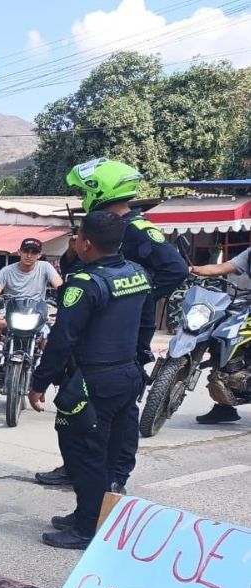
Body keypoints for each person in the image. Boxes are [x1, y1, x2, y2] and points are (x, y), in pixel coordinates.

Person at [36, 158, 187, 488]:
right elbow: (72, 267)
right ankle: (74, 467)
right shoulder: (97, 225)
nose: (79, 196)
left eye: (82, 190)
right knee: (75, 404)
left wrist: (127, 302)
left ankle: (115, 477)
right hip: (85, 331)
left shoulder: (136, 227)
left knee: (118, 415)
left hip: (118, 340)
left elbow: (175, 269)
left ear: (98, 190)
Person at [28, 211, 151, 550]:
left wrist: (39, 383)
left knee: (85, 455)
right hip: (127, 375)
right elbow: (147, 324)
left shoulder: (85, 283)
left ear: (85, 243)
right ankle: (91, 513)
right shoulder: (137, 274)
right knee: (112, 451)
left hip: (94, 381)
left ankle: (86, 529)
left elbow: (62, 339)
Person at [187, 246, 251, 424]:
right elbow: (222, 268)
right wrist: (192, 269)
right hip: (246, 306)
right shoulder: (249, 253)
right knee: (222, 344)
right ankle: (224, 406)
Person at [0, 238, 62, 356]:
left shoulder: (45, 267)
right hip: (12, 312)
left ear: (39, 255)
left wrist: (64, 294)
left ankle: (48, 369)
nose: (29, 255)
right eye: (26, 251)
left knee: (49, 334)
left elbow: (59, 285)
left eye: (34, 252)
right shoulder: (6, 271)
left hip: (37, 312)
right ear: (19, 252)